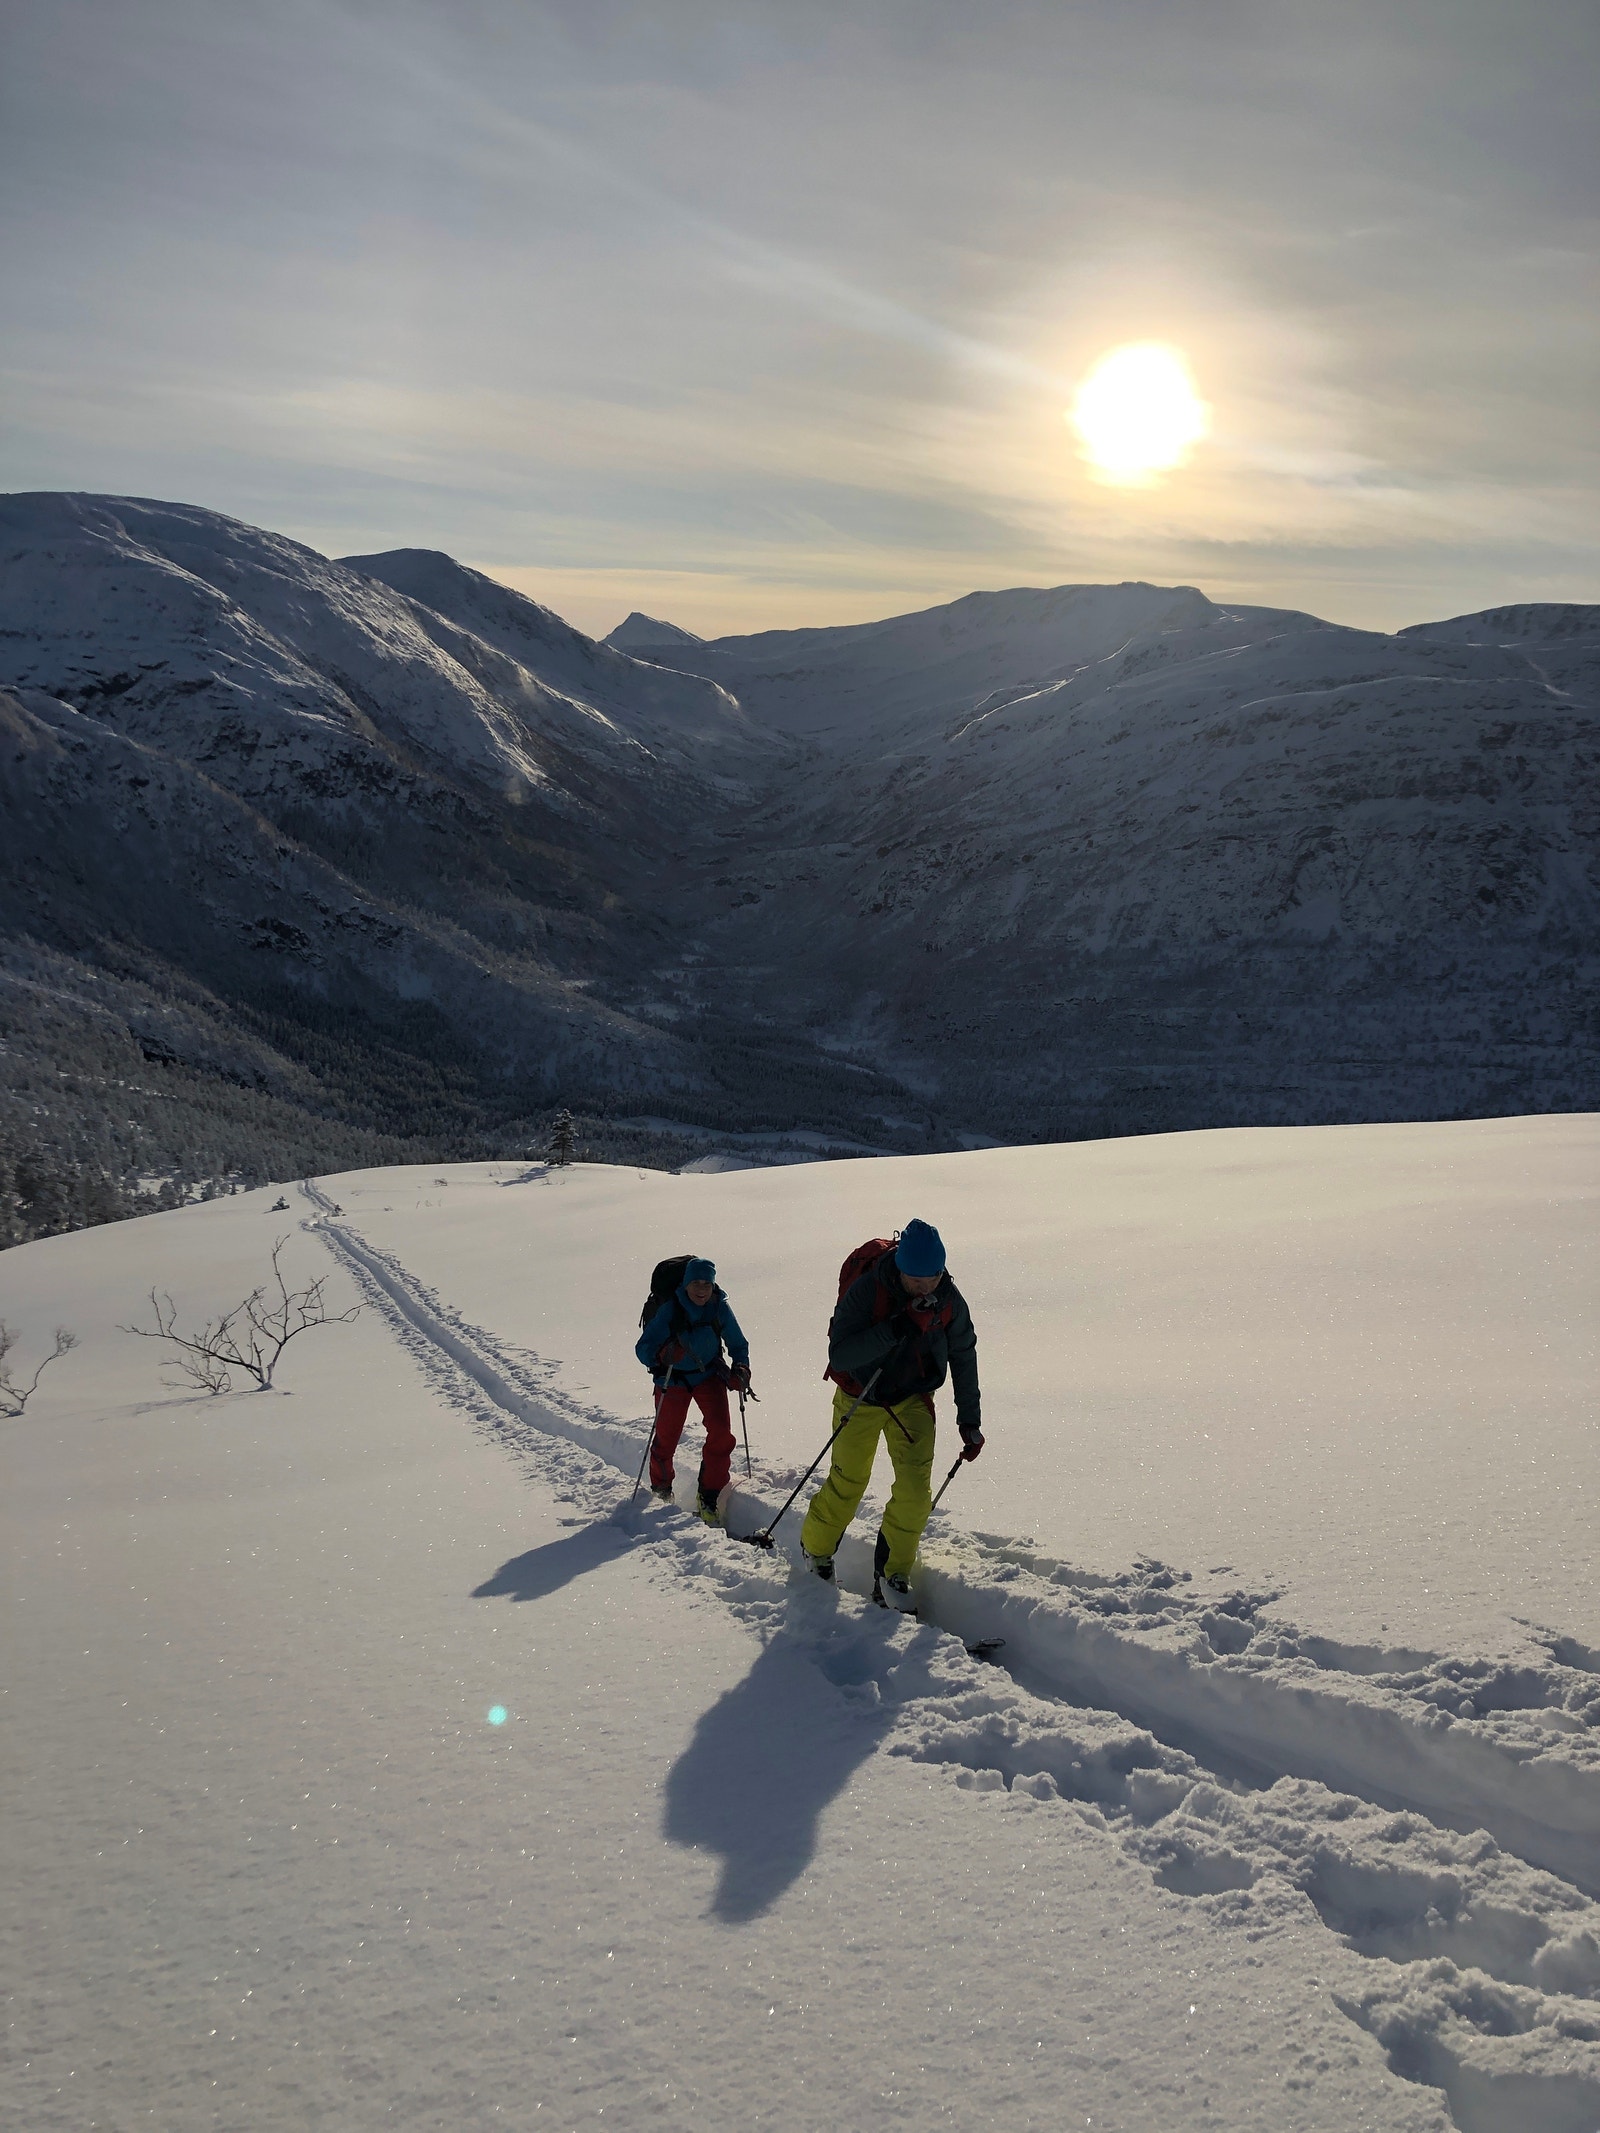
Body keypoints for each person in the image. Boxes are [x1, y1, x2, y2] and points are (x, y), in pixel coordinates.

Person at [799, 1218, 982, 1608]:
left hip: (913, 1397)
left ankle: (893, 1573)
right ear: (899, 1268)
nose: (924, 1287)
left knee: (916, 1493)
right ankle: (815, 1551)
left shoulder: (948, 1298)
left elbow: (963, 1352)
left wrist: (969, 1419)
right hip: (860, 1396)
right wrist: (896, 1328)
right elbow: (841, 1354)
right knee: (848, 1485)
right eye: (915, 1279)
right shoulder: (869, 1290)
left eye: (931, 1278)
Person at [636, 1255, 751, 1524]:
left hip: (708, 1375)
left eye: (707, 1284)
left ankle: (709, 1494)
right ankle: (662, 1489)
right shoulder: (670, 1309)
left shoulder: (718, 1307)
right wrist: (663, 1355)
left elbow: (737, 1342)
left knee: (722, 1434)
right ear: (686, 1284)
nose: (702, 1290)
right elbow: (643, 1348)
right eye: (696, 1283)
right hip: (671, 1379)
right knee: (667, 1438)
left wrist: (742, 1367)